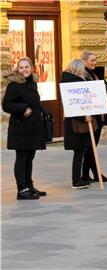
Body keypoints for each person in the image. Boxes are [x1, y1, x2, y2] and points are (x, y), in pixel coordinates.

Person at [2, 57, 47, 200]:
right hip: (20, 127)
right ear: (17, 69)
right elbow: (6, 105)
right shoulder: (14, 85)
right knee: (22, 158)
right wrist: (23, 109)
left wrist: (43, 113)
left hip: (33, 127)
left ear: (31, 68)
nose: (24, 70)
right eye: (21, 67)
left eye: (26, 67)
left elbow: (35, 103)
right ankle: (22, 190)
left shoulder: (32, 83)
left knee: (30, 157)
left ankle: (29, 185)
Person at [60, 59, 94, 189]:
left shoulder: (69, 81)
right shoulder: (74, 83)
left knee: (80, 151)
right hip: (76, 123)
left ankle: (78, 178)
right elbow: (73, 106)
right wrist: (83, 116)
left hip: (77, 121)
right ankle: (76, 179)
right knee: (79, 151)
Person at [81, 50, 107, 183]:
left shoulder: (95, 74)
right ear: (84, 61)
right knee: (90, 146)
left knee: (93, 146)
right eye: (92, 60)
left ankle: (93, 172)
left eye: (95, 60)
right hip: (91, 114)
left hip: (100, 113)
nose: (94, 62)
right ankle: (87, 173)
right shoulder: (83, 75)